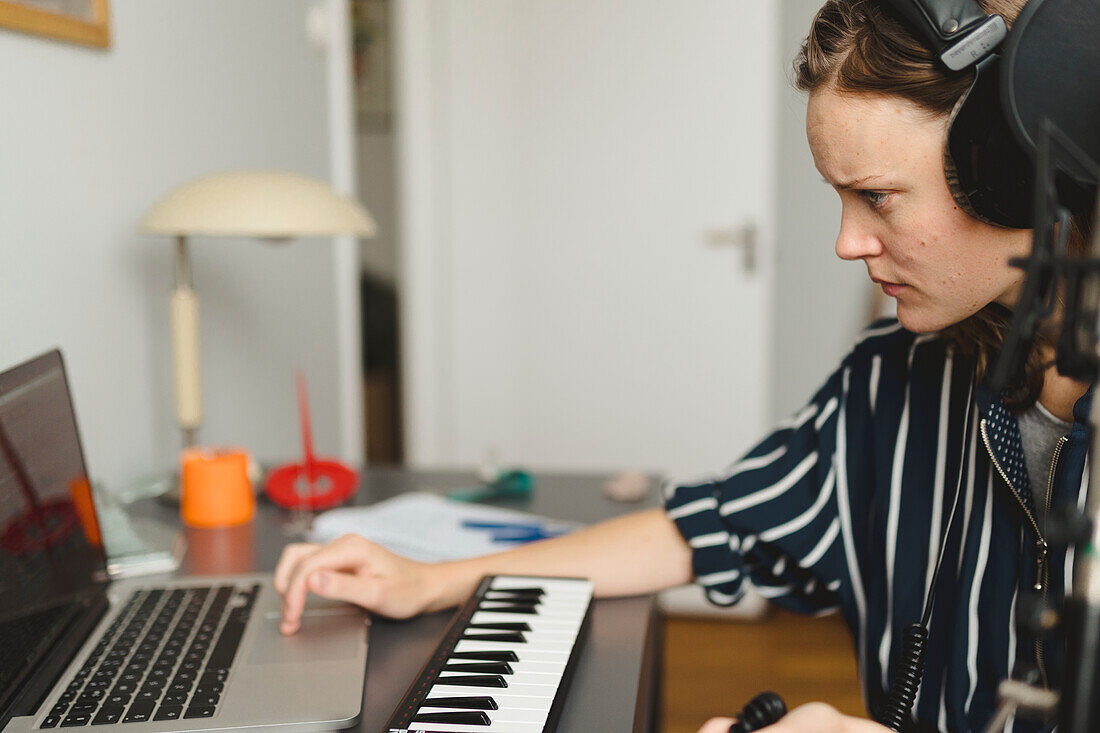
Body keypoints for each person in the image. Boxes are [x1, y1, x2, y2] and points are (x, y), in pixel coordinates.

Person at [274, 0, 1095, 731]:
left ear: (1015, 177)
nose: (846, 243)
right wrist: (434, 582)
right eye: (836, 199)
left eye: (876, 196)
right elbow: (711, 524)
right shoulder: (892, 381)